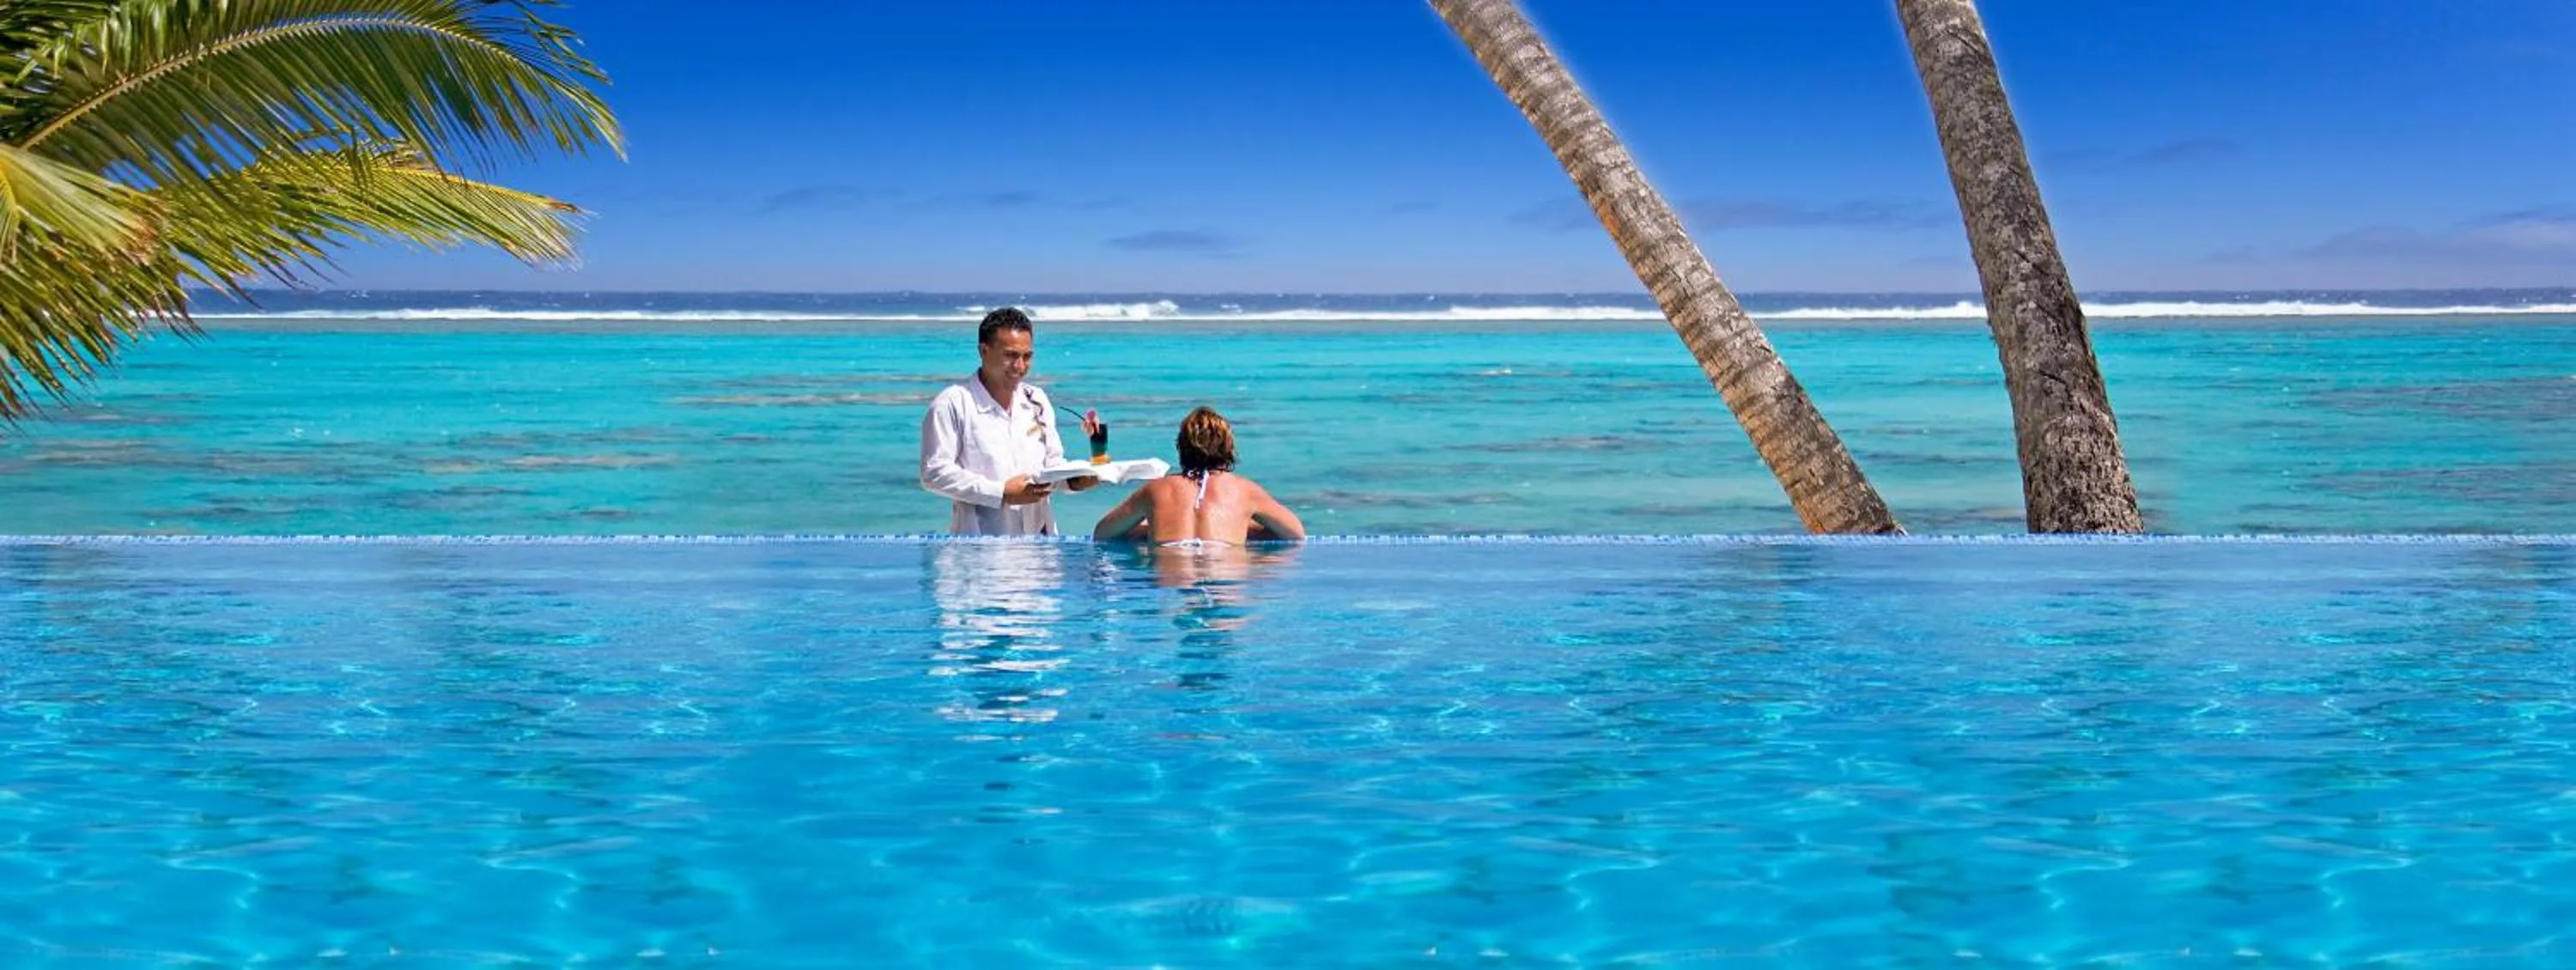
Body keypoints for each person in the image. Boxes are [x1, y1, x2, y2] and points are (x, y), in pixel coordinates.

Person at [920, 307, 1099, 535]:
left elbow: (1052, 467)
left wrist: (1076, 480)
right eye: (1010, 356)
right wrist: (1000, 492)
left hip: (1040, 550)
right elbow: (934, 473)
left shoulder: (1037, 400)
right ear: (984, 351)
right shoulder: (952, 404)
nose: (1020, 366)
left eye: (1027, 356)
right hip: (979, 551)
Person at [1092, 407, 1305, 544]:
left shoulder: (1157, 489)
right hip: (1225, 574)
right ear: (1229, 448)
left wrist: (1151, 530)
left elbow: (1103, 533)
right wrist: (1239, 527)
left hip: (1172, 580)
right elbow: (1295, 534)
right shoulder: (1244, 490)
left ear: (1180, 447)